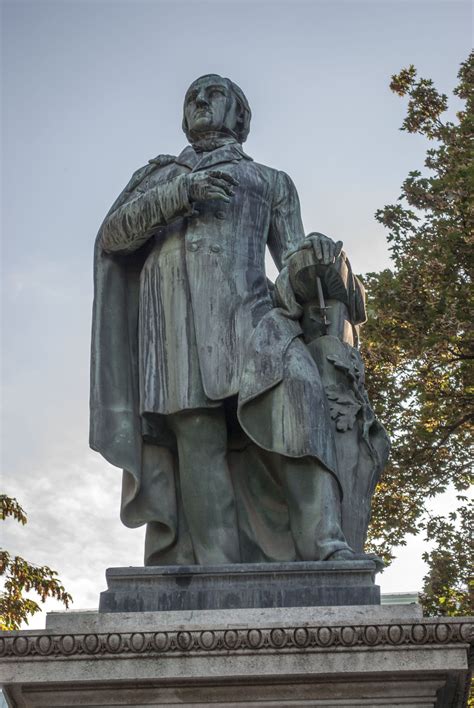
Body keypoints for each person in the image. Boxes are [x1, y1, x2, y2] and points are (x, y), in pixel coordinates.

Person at [90, 74, 388, 566]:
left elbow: (291, 261)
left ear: (240, 116)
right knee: (197, 435)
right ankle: (217, 567)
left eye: (213, 94)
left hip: (250, 316)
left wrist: (315, 257)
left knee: (298, 395)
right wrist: (182, 193)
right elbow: (113, 237)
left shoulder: (271, 181)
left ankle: (324, 542)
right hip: (173, 326)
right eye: (192, 97)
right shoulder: (160, 177)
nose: (200, 102)